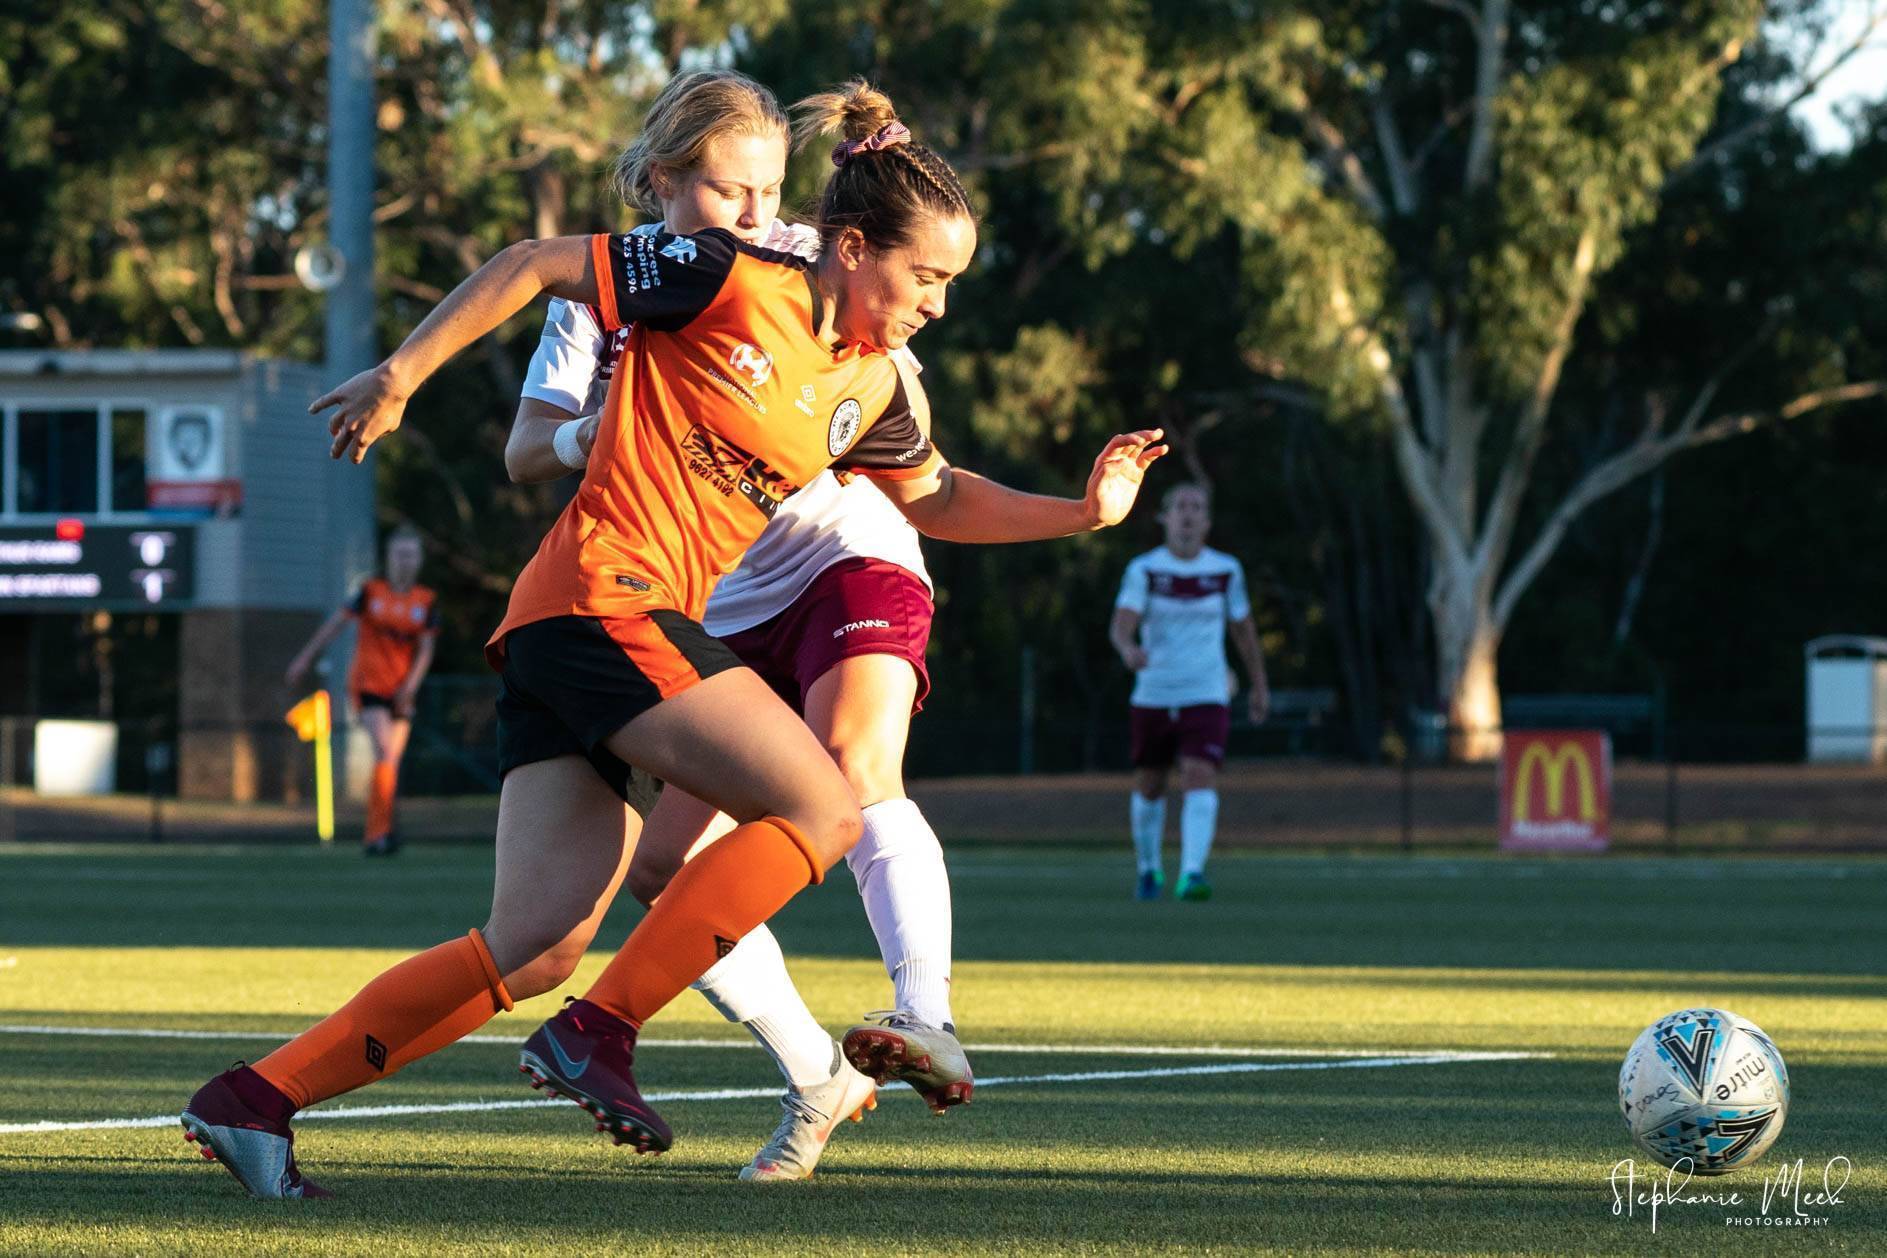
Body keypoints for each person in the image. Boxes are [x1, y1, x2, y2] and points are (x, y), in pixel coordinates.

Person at [180, 78, 1166, 1198]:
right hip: (605, 600)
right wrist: (402, 372)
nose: (939, 305)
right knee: (825, 803)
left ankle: (254, 1100)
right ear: (850, 248)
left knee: (538, 939)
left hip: (579, 624)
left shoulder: (879, 386)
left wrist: (1082, 513)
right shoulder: (726, 275)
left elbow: (935, 497)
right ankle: (600, 1028)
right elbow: (537, 262)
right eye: (928, 277)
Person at [508, 72, 972, 1183]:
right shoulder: (606, 293)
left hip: (844, 552)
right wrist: (599, 432)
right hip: (709, 592)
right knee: (663, 871)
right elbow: (525, 449)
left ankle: (927, 1015)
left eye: (769, 190)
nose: (759, 213)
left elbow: (894, 392)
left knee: (854, 777)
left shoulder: (797, 252)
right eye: (731, 190)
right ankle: (816, 1069)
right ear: (664, 182)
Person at [1110, 482, 1268, 902]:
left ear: (1207, 521)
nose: (1188, 514)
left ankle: (1193, 873)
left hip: (1206, 689)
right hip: (1155, 692)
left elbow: (1244, 631)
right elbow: (1122, 623)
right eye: (1180, 506)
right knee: (1151, 783)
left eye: (1197, 507)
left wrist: (1258, 684)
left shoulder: (1225, 570)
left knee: (1200, 773)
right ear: (1165, 517)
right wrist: (1128, 649)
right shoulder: (1145, 570)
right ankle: (1149, 869)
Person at [283, 526, 437, 855]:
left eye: (411, 555)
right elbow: (334, 626)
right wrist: (304, 659)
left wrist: (409, 689)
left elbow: (425, 651)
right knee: (385, 752)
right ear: (389, 557)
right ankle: (377, 836)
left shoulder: (425, 601)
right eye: (399, 554)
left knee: (390, 761)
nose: (405, 561)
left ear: (420, 560)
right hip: (368, 686)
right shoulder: (370, 592)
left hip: (401, 690)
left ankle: (382, 831)